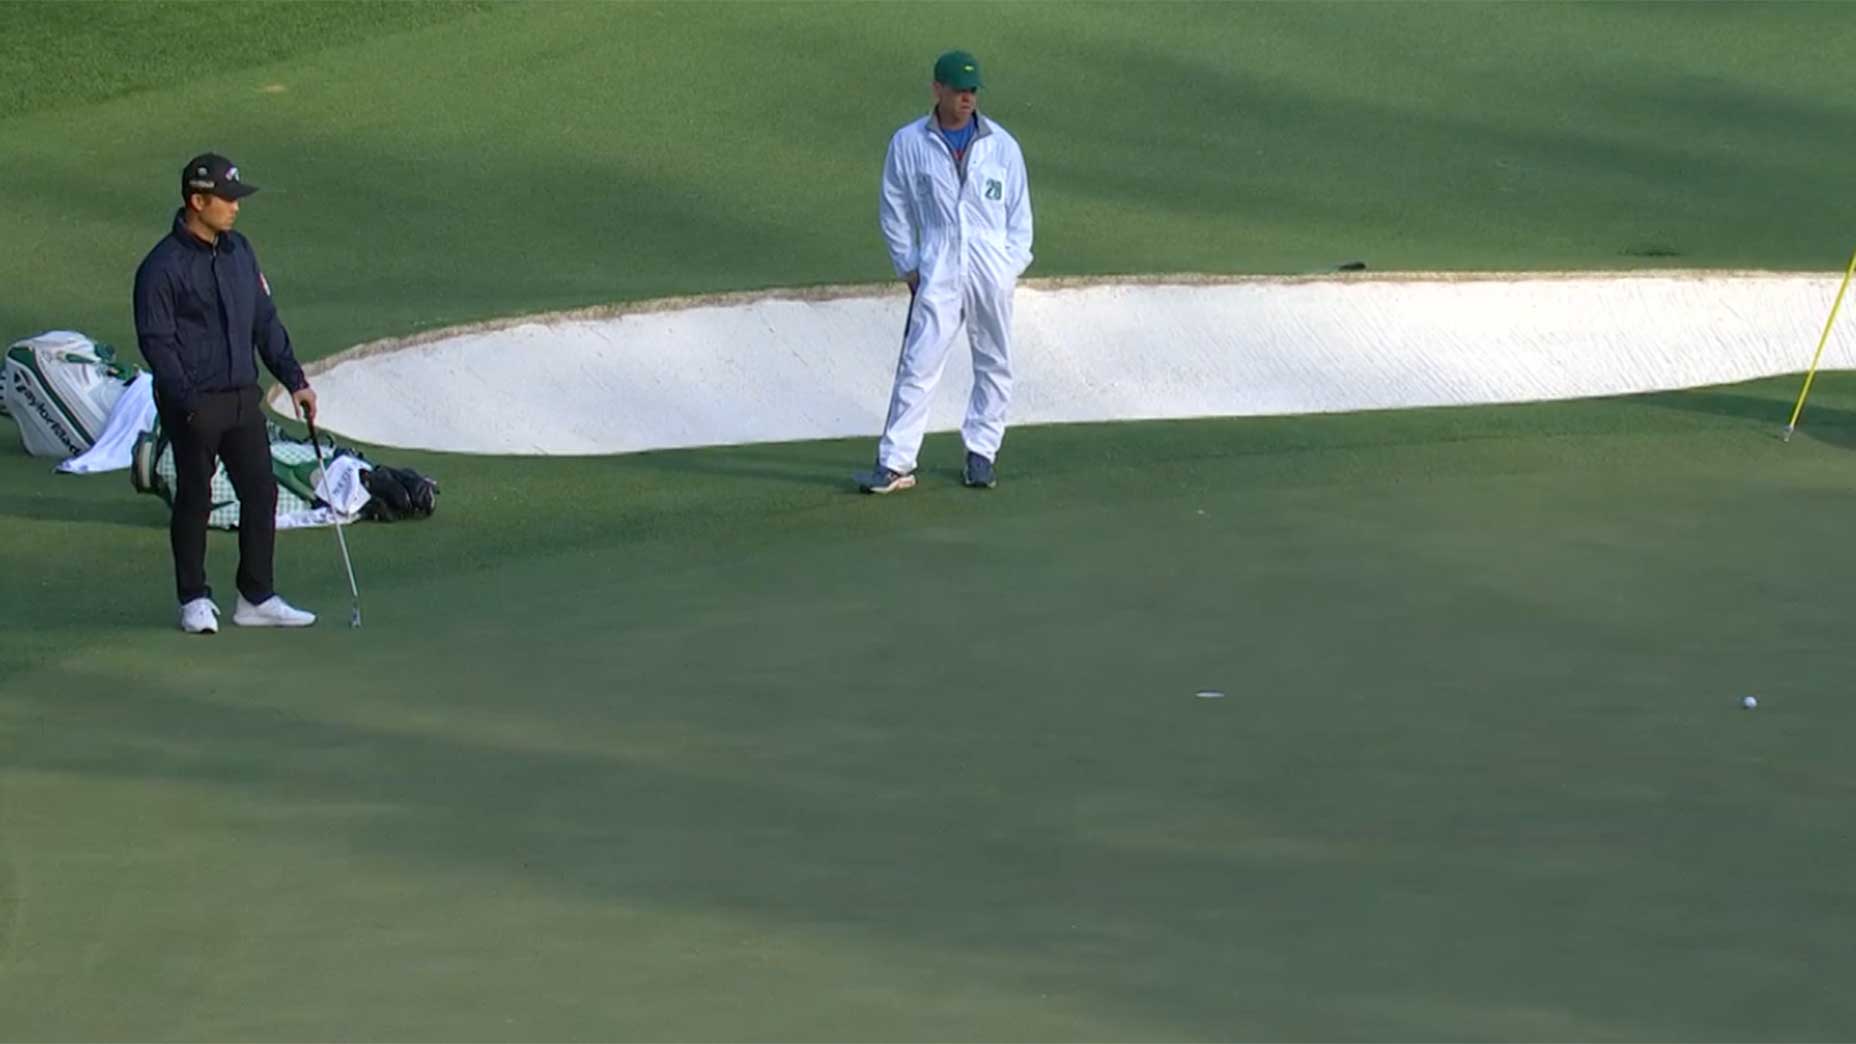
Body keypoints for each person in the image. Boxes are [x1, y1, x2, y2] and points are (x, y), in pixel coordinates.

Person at [133, 153, 320, 634]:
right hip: (193, 405)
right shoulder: (162, 267)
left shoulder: (240, 253)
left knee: (261, 491)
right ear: (197, 201)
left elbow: (264, 322)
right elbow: (157, 343)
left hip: (241, 398)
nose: (235, 208)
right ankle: (193, 598)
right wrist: (187, 401)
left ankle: (255, 596)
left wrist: (295, 379)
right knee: (195, 497)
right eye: (226, 199)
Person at [857, 49, 1034, 494]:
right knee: (919, 362)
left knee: (995, 360)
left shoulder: (1003, 146)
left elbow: (1020, 220)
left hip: (989, 269)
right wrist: (909, 265)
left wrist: (1006, 270)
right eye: (959, 91)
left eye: (973, 91)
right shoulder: (909, 143)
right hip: (938, 267)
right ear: (938, 89)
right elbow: (893, 207)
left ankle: (982, 453)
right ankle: (896, 463)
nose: (967, 99)